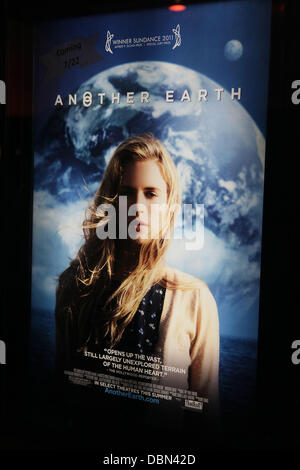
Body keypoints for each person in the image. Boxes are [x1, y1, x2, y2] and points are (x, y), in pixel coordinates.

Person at [54, 133, 220, 418]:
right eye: (127, 192)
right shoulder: (75, 285)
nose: (138, 206)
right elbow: (62, 391)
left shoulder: (194, 299)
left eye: (151, 193)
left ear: (169, 204)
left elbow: (206, 411)